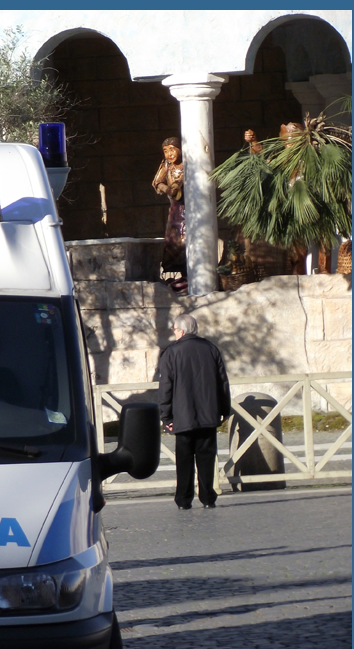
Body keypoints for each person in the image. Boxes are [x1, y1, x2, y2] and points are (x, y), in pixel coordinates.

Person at [158, 314, 232, 510]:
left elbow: (166, 386)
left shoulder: (171, 352)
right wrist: (224, 409)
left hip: (182, 416)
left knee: (184, 460)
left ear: (181, 331)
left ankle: (184, 499)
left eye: (174, 329)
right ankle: (208, 498)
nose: (173, 332)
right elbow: (222, 382)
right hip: (208, 414)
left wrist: (166, 416)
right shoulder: (211, 349)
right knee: (207, 458)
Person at [151, 136, 187, 290]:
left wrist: (177, 187)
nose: (169, 154)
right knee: (174, 239)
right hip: (175, 207)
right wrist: (168, 189)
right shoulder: (167, 165)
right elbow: (157, 182)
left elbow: (182, 182)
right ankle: (180, 273)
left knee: (187, 238)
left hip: (189, 206)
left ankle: (190, 273)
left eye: (172, 149)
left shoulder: (187, 164)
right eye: (165, 151)